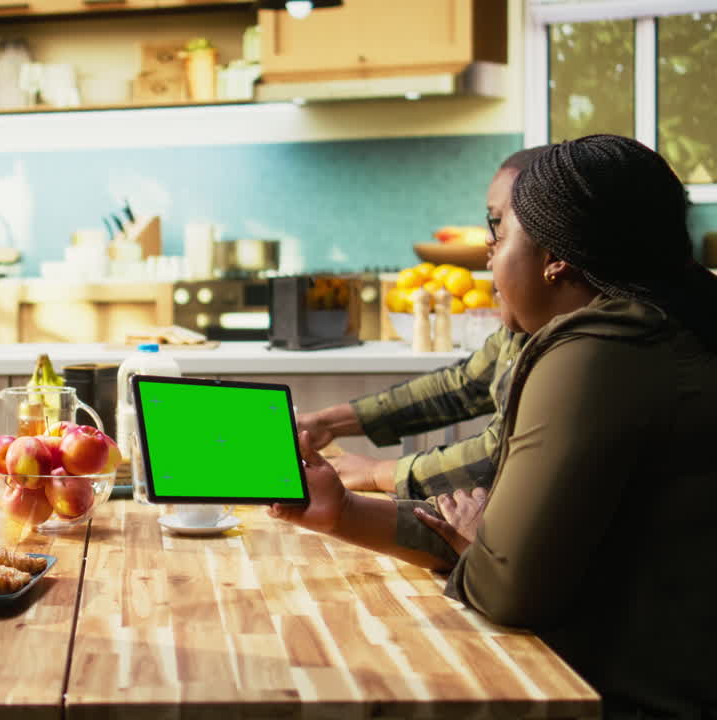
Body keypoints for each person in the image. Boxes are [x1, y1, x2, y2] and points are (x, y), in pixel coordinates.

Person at [272, 135, 717, 717]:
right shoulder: (672, 322)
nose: (489, 254)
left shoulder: (599, 354)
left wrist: (477, 540)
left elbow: (508, 585)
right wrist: (346, 513)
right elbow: (507, 535)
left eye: (500, 234)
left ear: (556, 257)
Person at [296, 147, 547, 503]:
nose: (489, 241)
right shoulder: (524, 324)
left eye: (499, 223)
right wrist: (327, 423)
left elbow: (500, 454)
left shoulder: (577, 349)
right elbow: (463, 386)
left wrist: (376, 472)